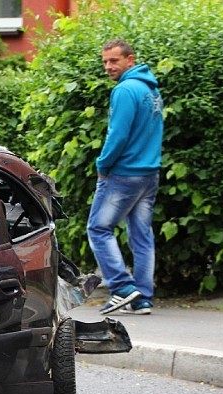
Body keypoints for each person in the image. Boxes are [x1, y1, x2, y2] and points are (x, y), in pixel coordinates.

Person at [88, 39, 163, 315]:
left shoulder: (124, 91)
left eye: (114, 61)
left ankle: (121, 287)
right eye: (105, 61)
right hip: (149, 174)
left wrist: (103, 164)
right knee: (142, 235)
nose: (108, 66)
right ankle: (142, 297)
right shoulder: (151, 91)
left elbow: (117, 135)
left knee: (98, 228)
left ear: (130, 60)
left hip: (124, 174)